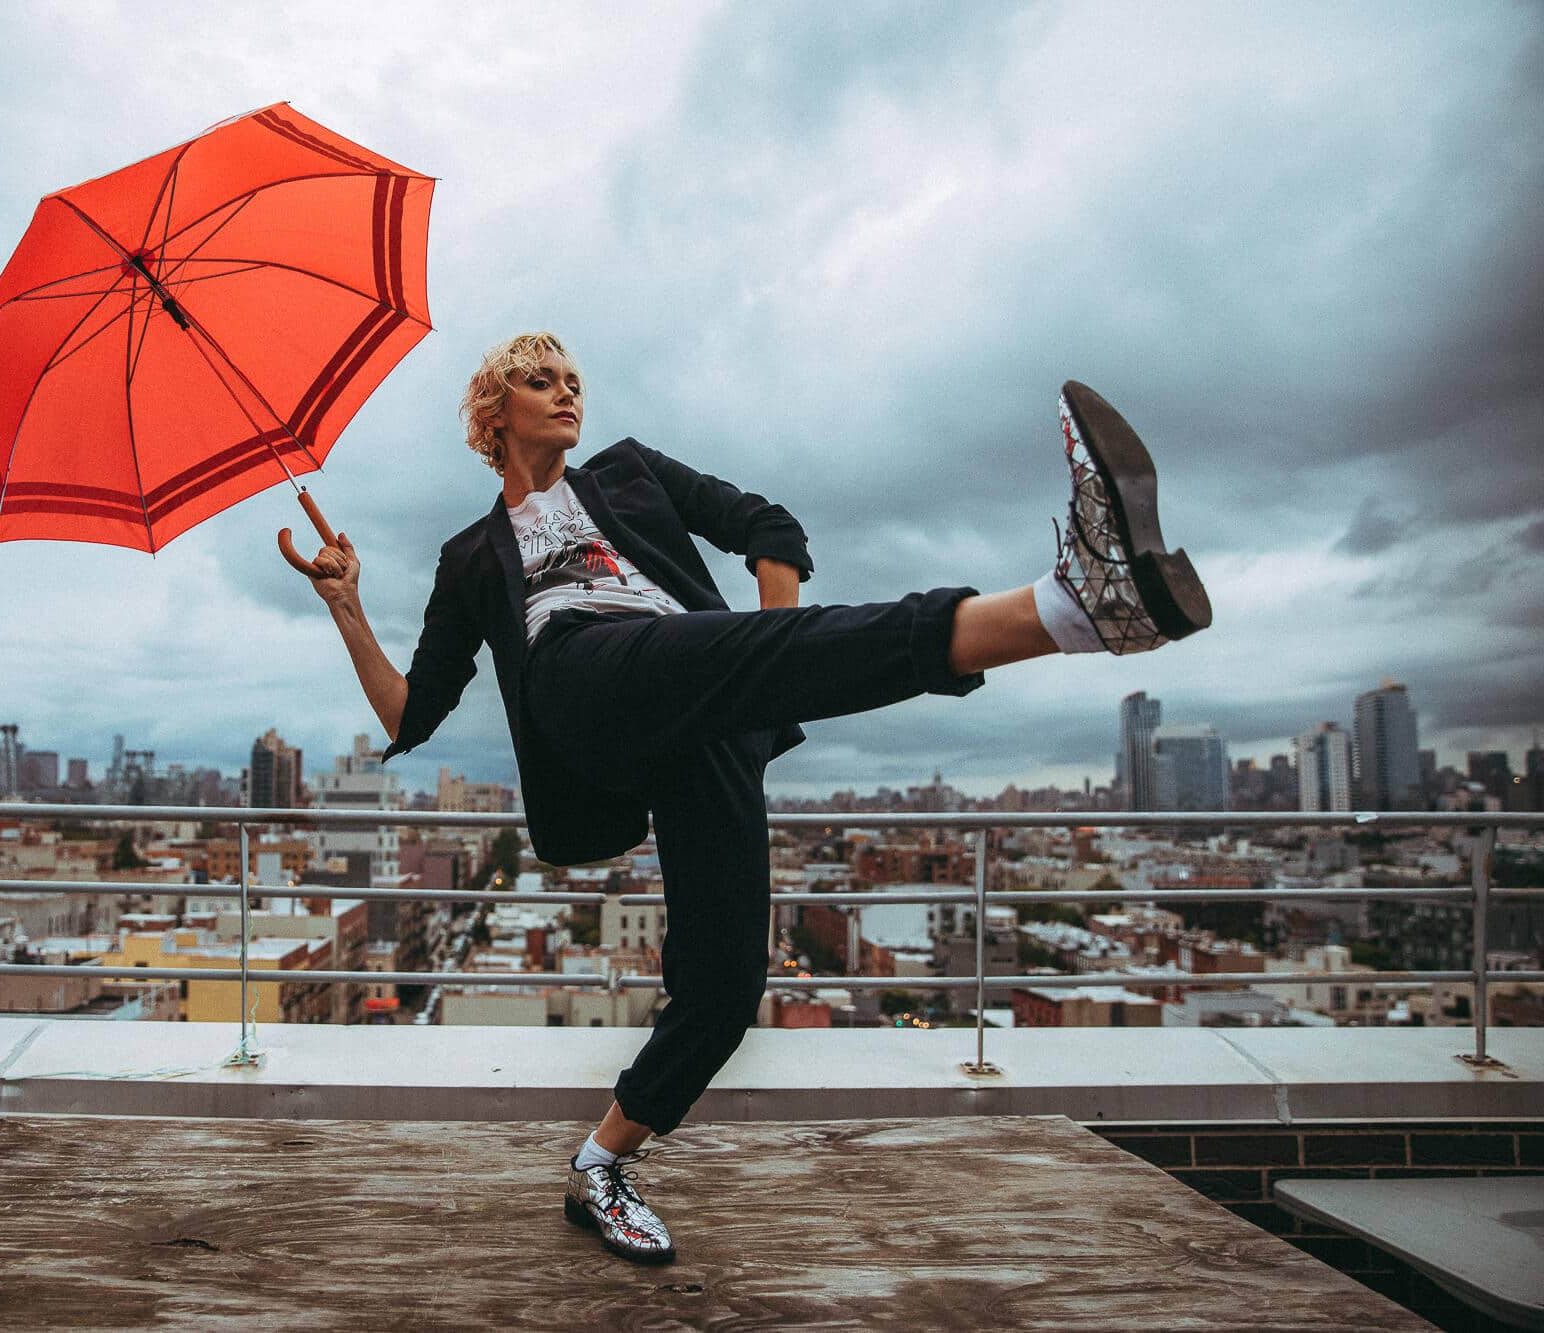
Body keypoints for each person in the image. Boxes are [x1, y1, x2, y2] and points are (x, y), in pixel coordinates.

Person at [298, 332, 1210, 1264]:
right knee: (645, 649)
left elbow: (769, 526)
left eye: (575, 379)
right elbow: (411, 712)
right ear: (493, 415)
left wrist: (766, 669)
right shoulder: (471, 557)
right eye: (541, 381)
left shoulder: (632, 472)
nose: (568, 392)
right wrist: (347, 606)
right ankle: (1070, 605)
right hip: (582, 680)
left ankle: (602, 1164)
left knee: (726, 987)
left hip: (703, 707)